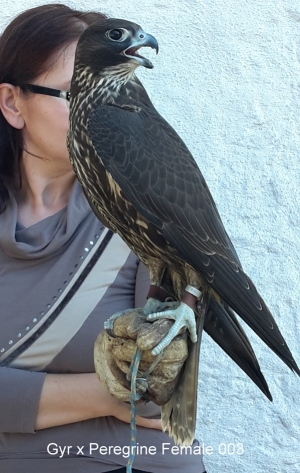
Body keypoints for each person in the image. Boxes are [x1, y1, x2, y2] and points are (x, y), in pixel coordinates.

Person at [0, 4, 207, 473]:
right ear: (13, 103)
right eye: (75, 92)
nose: (104, 107)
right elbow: (126, 390)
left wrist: (21, 398)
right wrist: (104, 395)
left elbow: (158, 396)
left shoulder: (144, 204)